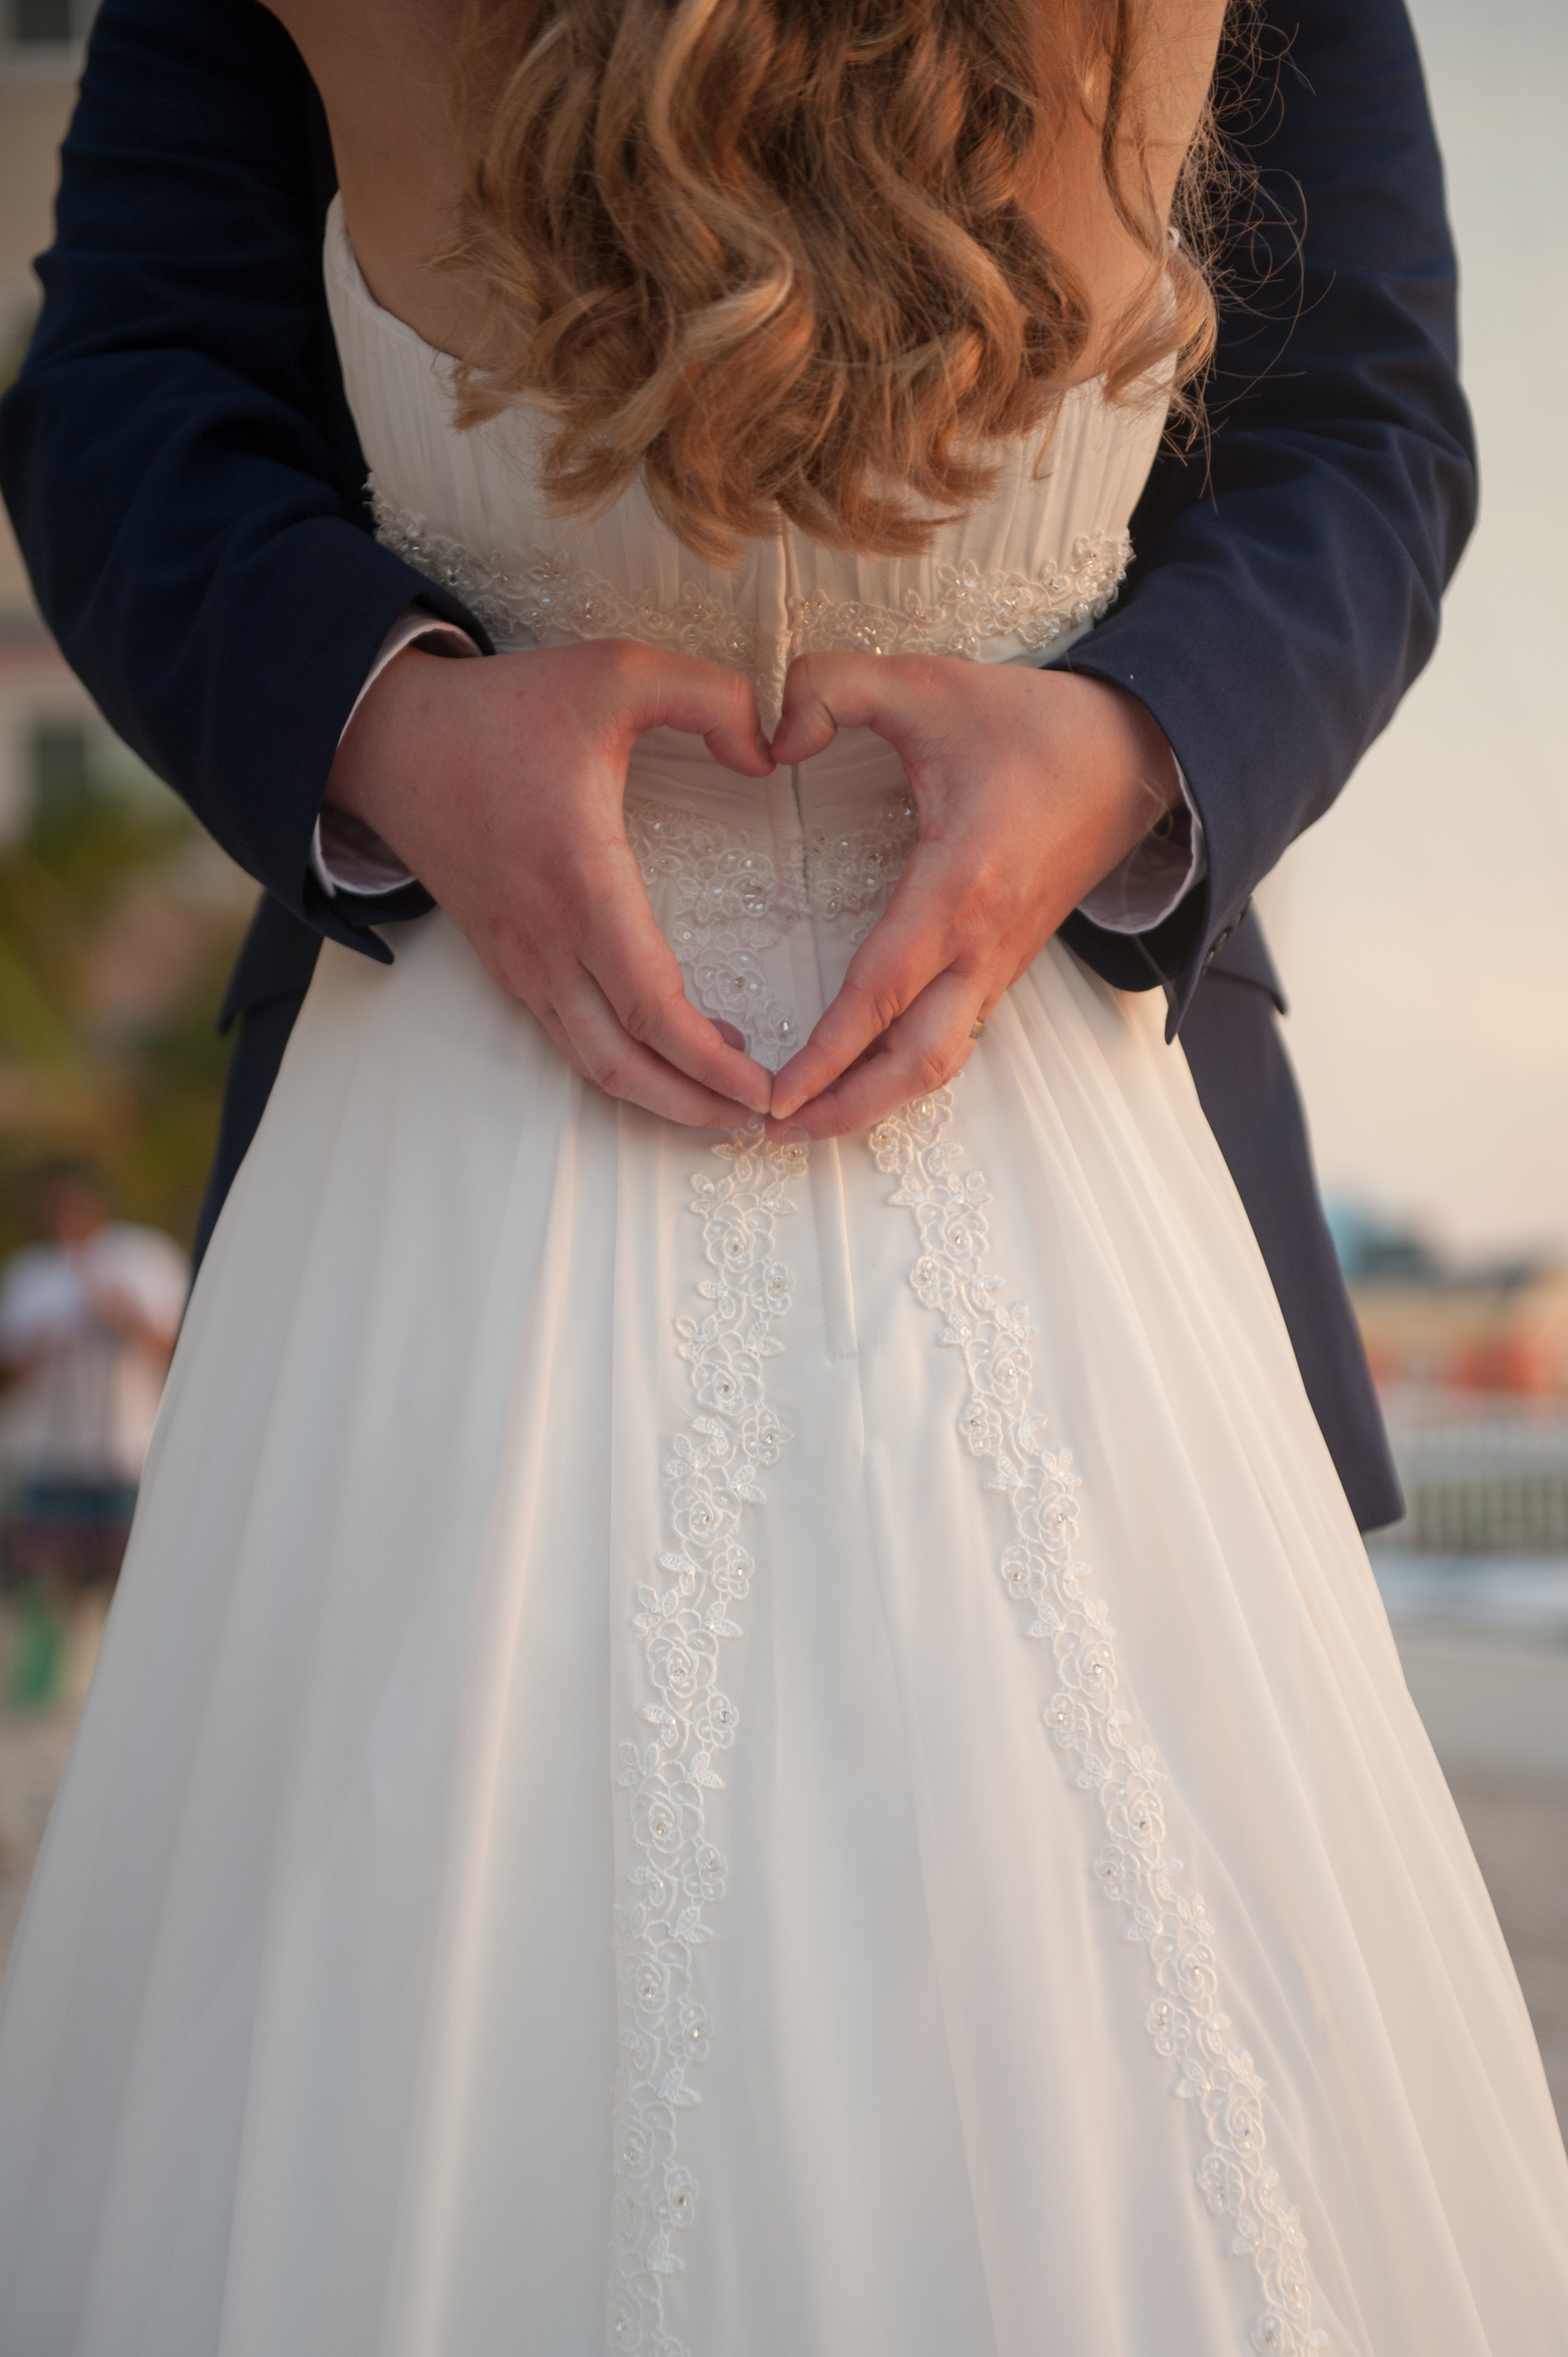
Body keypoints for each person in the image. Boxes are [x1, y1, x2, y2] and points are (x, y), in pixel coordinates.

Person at [3, 3, 1564, 2353]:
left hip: (1056, 1156)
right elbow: (122, 390)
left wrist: (1131, 749)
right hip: (450, 1124)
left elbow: (1362, 430)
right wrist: (392, 727)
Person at [0, 1162, 186, 1600]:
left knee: (132, 1588)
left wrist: (124, 1317)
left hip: (130, 1455)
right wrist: (42, 1349)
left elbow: (181, 1351)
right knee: (44, 1591)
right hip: (50, 1458)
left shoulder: (144, 1258)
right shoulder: (29, 1274)